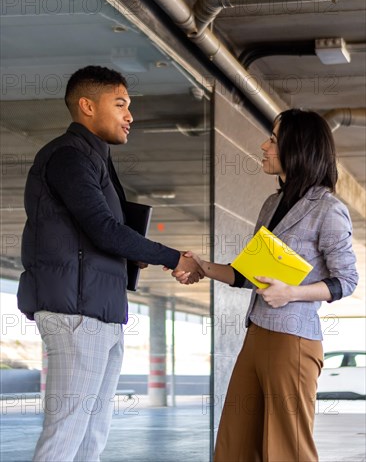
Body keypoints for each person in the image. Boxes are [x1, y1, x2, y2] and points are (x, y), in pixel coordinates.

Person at [17, 65, 203, 462]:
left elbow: (97, 233)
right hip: (76, 313)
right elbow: (103, 229)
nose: (129, 116)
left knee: (92, 433)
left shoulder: (94, 158)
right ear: (87, 105)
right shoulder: (69, 156)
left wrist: (134, 250)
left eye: (129, 106)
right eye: (120, 104)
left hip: (99, 310)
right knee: (67, 429)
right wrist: (173, 258)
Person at [173, 109, 359, 462]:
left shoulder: (328, 209)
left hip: (294, 342)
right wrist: (203, 266)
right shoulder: (272, 204)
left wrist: (293, 292)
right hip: (256, 334)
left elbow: (346, 281)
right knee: (235, 446)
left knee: (287, 450)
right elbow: (248, 274)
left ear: (298, 147)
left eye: (273, 139)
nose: (264, 145)